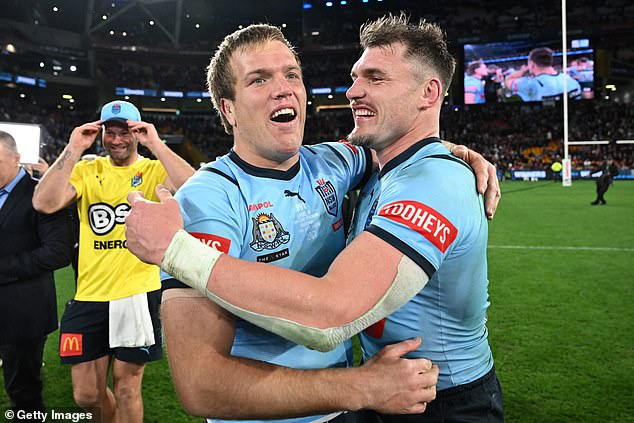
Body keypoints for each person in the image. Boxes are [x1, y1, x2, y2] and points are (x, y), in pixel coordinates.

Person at [125, 14, 503, 423]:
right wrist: (358, 387)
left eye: (291, 74)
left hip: (374, 405)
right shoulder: (208, 199)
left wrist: (449, 153)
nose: (282, 88)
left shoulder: (334, 163)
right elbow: (201, 384)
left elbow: (404, 147)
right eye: (259, 80)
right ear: (228, 109)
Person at [31, 100, 194, 423]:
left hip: (137, 292)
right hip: (89, 293)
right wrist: (75, 147)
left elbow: (193, 189)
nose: (117, 139)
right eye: (111, 132)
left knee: (127, 389)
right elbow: (44, 202)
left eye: (125, 132)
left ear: (137, 133)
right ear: (102, 133)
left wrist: (156, 144)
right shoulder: (88, 169)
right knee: (85, 395)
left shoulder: (152, 170)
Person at [0, 130, 75, 418]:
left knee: (23, 391)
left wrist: (4, 267)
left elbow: (58, 252)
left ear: (18, 159)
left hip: (23, 313)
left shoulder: (42, 193)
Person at [505, 46, 581, 102]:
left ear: (531, 64)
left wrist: (524, 70)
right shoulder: (570, 80)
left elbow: (508, 80)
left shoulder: (530, 84)